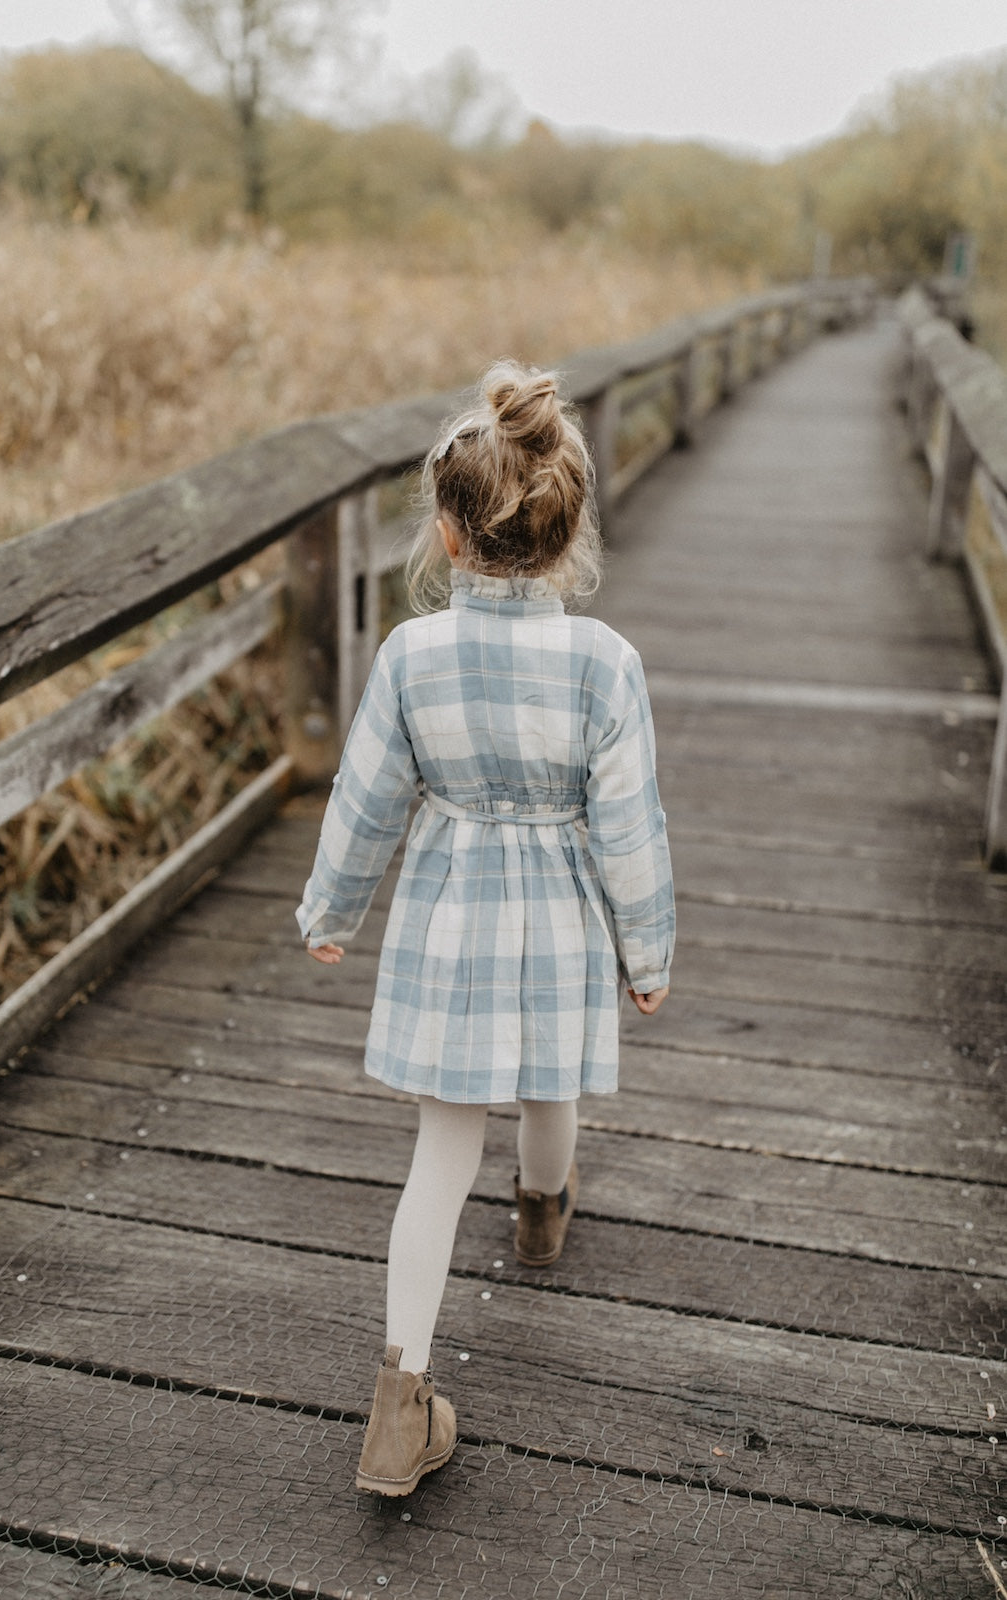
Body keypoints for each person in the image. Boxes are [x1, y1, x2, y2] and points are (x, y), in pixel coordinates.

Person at [295, 360, 674, 1497]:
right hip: (559, 918)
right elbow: (630, 828)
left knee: (437, 1153)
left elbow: (363, 799)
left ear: (448, 538)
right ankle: (543, 1213)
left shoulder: (411, 657)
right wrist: (645, 952)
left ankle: (398, 1405)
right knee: (547, 1082)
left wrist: (331, 910)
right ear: (564, 540)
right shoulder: (605, 664)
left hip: (449, 918)